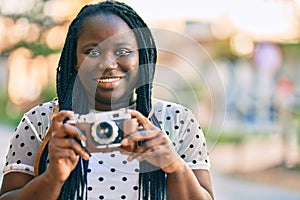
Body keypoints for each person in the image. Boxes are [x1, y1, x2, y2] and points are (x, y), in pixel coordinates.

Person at [0, 1, 214, 199]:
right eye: (92, 51)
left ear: (141, 57)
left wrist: (175, 167)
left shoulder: (178, 121)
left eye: (123, 51)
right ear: (75, 60)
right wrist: (53, 177)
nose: (109, 64)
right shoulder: (42, 121)